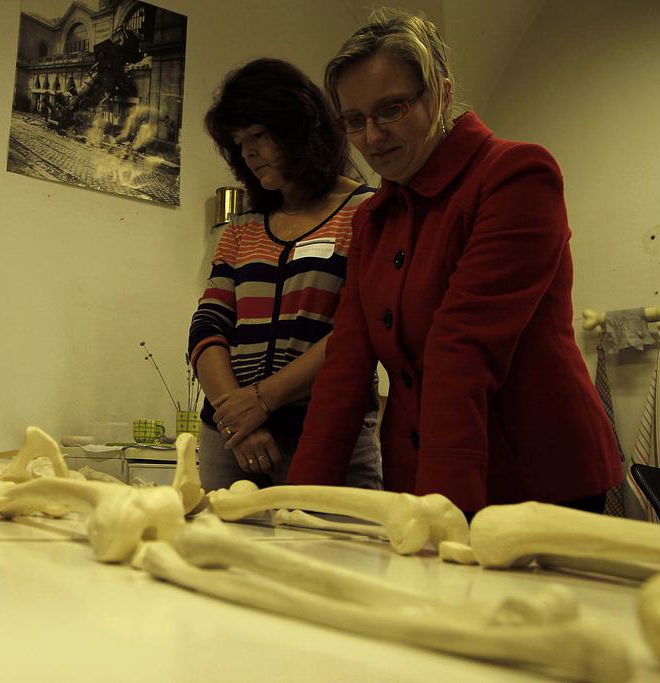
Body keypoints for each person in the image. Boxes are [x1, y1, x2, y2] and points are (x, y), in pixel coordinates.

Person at [287, 8, 622, 514]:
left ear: (441, 95)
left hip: (536, 482)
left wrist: (440, 512)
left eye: (391, 109)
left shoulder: (516, 175)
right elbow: (344, 367)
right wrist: (299, 506)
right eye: (354, 121)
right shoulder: (372, 220)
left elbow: (461, 345)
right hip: (421, 480)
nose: (372, 137)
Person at [188, 58, 383, 492]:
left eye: (258, 135)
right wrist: (236, 416)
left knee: (332, 538)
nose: (248, 152)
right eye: (239, 142)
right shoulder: (243, 226)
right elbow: (207, 327)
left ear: (301, 126)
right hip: (231, 440)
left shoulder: (366, 212)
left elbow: (359, 331)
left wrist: (261, 401)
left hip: (325, 434)